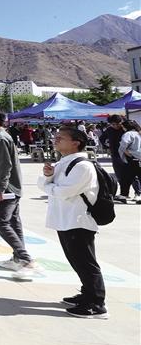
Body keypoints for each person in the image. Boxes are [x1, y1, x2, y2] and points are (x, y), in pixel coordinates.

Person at [37, 126, 108, 318]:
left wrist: (50, 185)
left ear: (76, 142)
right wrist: (49, 178)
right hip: (65, 219)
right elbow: (42, 183)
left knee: (86, 263)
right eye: (56, 137)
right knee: (76, 261)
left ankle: (97, 304)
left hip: (78, 221)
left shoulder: (83, 166)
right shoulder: (62, 162)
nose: (55, 139)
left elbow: (65, 191)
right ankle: (87, 293)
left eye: (61, 137)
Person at [0, 109, 38, 279]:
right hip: (12, 187)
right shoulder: (0, 137)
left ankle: (26, 259)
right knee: (14, 222)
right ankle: (17, 258)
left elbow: (5, 166)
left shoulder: (1, 138)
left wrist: (0, 189)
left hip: (7, 189)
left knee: (1, 222)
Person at [100, 115, 140, 202]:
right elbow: (102, 138)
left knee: (133, 176)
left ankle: (137, 193)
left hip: (128, 157)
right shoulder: (109, 130)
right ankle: (124, 194)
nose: (116, 126)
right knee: (121, 176)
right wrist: (107, 146)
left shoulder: (126, 130)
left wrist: (126, 151)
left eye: (118, 124)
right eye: (113, 124)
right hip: (115, 155)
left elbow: (125, 144)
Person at [117, 119, 141, 202]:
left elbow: (124, 144)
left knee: (126, 177)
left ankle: (124, 194)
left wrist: (126, 152)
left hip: (132, 157)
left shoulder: (128, 134)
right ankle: (134, 194)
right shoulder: (138, 133)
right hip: (139, 157)